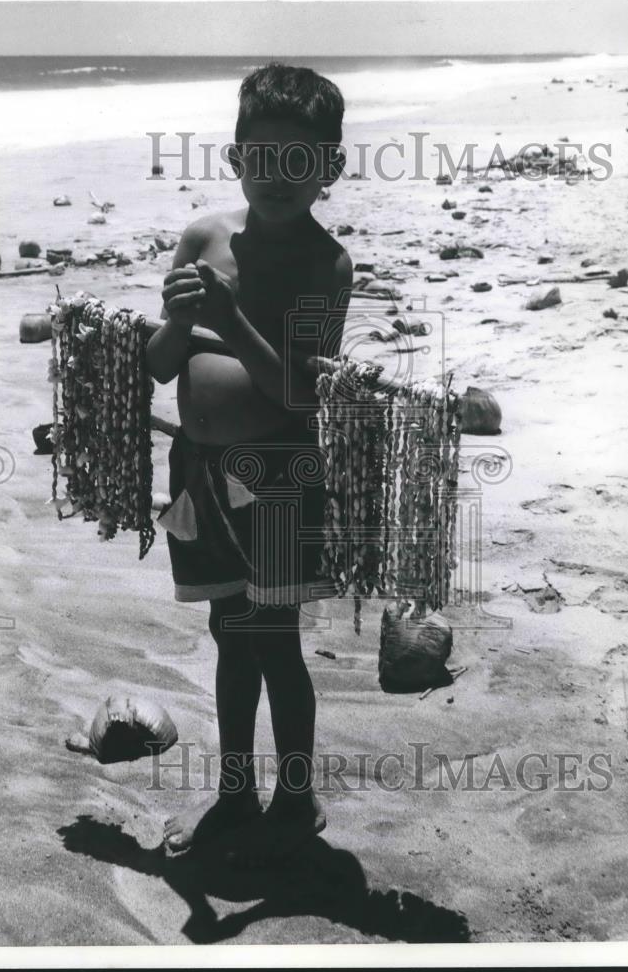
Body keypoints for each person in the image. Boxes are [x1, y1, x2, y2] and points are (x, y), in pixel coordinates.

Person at [146, 63, 352, 866]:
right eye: (263, 158)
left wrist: (229, 320)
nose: (279, 177)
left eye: (300, 161)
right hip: (197, 471)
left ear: (328, 171)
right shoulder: (203, 237)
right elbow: (162, 364)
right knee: (229, 633)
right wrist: (177, 322)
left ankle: (293, 796)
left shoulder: (323, 267)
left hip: (275, 479)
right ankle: (236, 791)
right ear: (235, 160)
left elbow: (301, 396)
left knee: (276, 640)